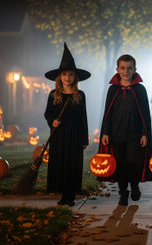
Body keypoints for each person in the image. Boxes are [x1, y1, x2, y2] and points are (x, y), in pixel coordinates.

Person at [99, 54, 152, 206]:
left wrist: (144, 133)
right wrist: (105, 132)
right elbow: (107, 113)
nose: (126, 71)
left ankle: (134, 187)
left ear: (135, 69)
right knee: (120, 164)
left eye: (129, 68)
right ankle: (123, 192)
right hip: (116, 134)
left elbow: (145, 113)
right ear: (117, 70)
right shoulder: (113, 90)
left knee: (133, 163)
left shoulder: (140, 90)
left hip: (134, 135)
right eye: (122, 68)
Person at [44, 43, 91, 206]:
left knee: (72, 164)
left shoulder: (80, 95)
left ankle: (71, 195)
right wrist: (52, 121)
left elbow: (83, 118)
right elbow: (47, 113)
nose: (67, 77)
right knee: (60, 163)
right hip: (59, 135)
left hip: (74, 135)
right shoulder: (53, 95)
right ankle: (63, 194)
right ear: (60, 77)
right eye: (64, 74)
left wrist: (84, 139)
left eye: (70, 74)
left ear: (75, 77)